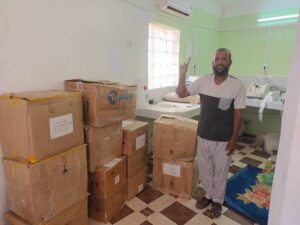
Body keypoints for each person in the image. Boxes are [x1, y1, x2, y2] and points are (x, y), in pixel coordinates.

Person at [177, 48, 246, 218]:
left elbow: (238, 114)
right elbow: (181, 93)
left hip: (223, 138)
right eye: (217, 59)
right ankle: (208, 195)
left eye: (224, 59)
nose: (220, 62)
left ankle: (217, 201)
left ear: (230, 62)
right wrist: (182, 73)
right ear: (213, 62)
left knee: (221, 171)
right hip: (204, 134)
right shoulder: (203, 81)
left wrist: (234, 139)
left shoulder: (237, 85)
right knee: (205, 169)